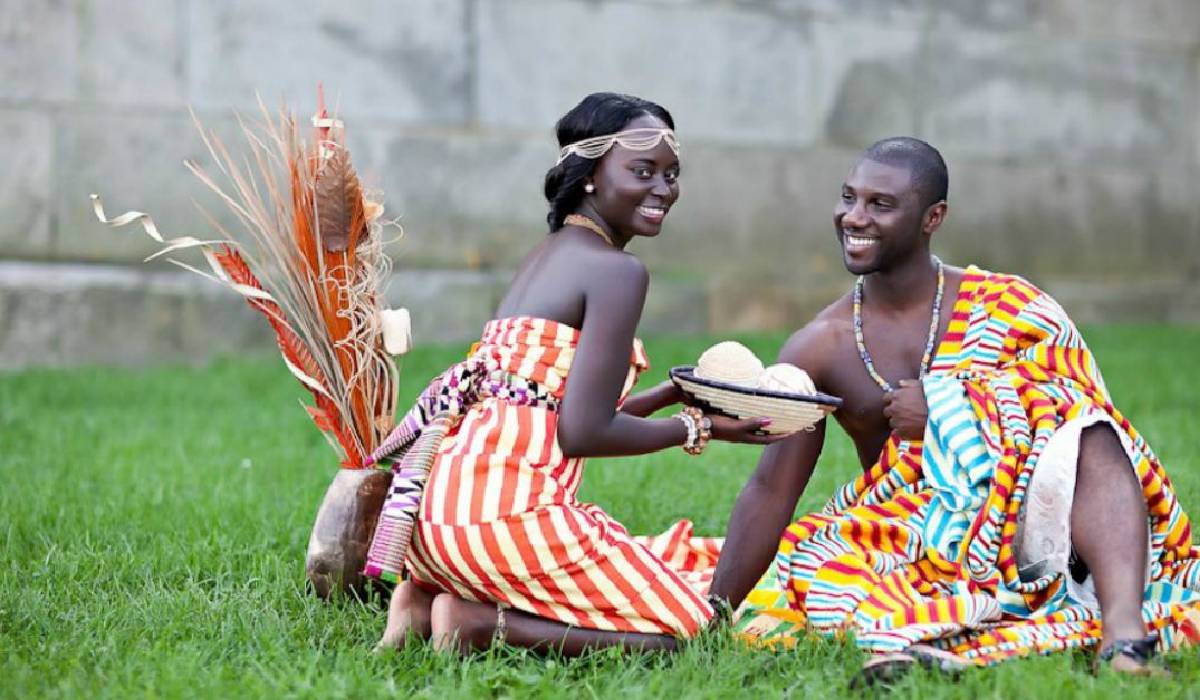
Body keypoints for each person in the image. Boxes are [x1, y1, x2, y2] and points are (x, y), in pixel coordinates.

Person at [708, 137, 1200, 677]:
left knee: (1090, 431)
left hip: (1030, 523)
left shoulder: (1009, 303)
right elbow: (771, 489)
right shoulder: (819, 346)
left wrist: (945, 408)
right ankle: (937, 652)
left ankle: (1124, 641)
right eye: (848, 197)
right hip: (916, 542)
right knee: (828, 564)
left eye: (880, 204)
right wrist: (711, 614)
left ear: (931, 217)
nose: (854, 217)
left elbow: (1077, 408)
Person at [370, 92, 788, 656]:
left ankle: (422, 601)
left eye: (672, 173)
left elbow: (550, 415)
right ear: (590, 174)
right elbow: (584, 433)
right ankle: (475, 625)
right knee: (690, 628)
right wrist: (702, 430)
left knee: (647, 577)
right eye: (643, 170)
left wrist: (672, 394)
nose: (664, 188)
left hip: (437, 525)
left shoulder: (548, 254)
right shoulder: (618, 272)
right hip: (501, 523)